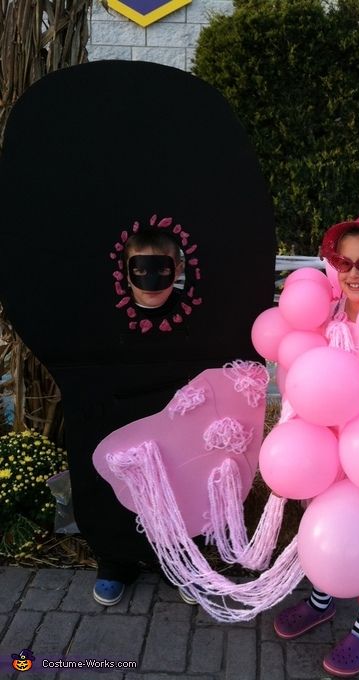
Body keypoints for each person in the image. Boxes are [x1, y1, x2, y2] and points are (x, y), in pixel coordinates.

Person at [273, 208, 359, 677]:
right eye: (343, 261)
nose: (353, 272)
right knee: (324, 527)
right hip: (323, 450)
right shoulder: (326, 314)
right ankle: (321, 600)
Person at [92, 228, 187, 606]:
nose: (150, 282)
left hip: (173, 416)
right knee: (114, 485)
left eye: (160, 270)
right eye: (140, 271)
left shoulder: (196, 310)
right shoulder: (106, 314)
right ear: (125, 271)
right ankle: (116, 562)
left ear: (178, 267)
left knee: (177, 486)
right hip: (120, 412)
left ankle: (178, 562)